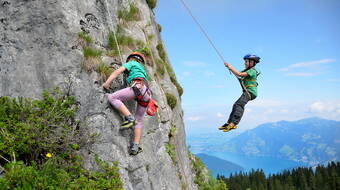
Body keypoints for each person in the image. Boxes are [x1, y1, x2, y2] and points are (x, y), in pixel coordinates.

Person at [102, 52, 150, 155]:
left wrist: (106, 84)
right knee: (139, 120)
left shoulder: (132, 63)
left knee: (112, 97)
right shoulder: (142, 70)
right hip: (146, 93)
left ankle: (129, 118)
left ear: (131, 59)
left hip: (138, 87)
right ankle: (135, 147)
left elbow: (117, 72)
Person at [219, 54, 260, 132]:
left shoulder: (252, 71)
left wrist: (231, 68)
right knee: (236, 105)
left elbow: (239, 74)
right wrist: (229, 68)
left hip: (250, 93)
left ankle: (234, 123)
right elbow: (237, 73)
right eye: (245, 62)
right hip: (247, 92)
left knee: (239, 104)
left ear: (252, 63)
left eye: (246, 61)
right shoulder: (246, 71)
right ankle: (229, 123)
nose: (245, 63)